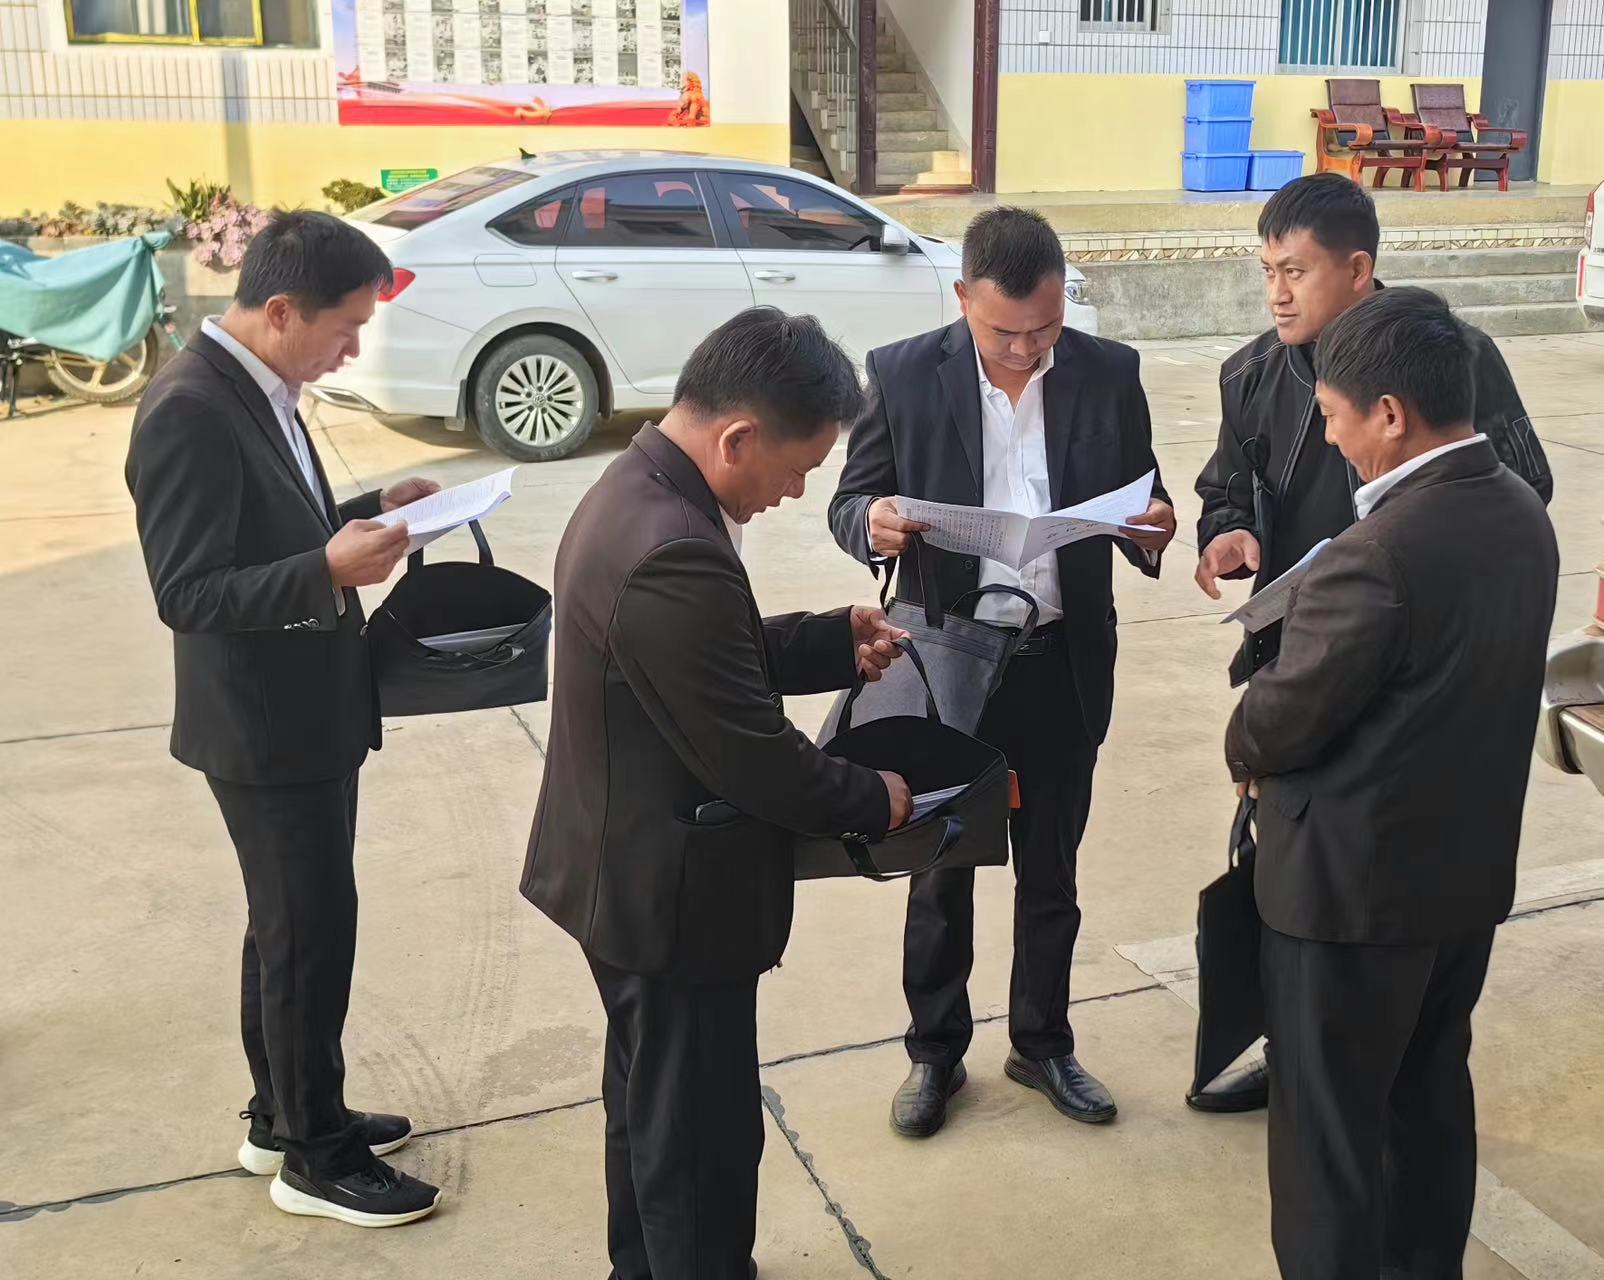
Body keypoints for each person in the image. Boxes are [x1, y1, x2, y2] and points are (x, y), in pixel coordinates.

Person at [521, 307, 912, 1280]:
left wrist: (826, 639)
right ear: (736, 436)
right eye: (797, 467)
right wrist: (876, 797)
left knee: (651, 1116)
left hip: (626, 874)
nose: (796, 491)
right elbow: (754, 756)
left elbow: (697, 665)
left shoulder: (641, 491)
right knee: (699, 1144)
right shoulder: (674, 546)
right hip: (670, 898)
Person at [1187, 172, 1553, 1114]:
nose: (1278, 294)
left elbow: (1521, 487)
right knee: (1294, 866)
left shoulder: (1451, 354)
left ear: (1358, 270)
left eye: (1297, 271)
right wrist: (1228, 532)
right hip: (1304, 660)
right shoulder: (1252, 373)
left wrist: (1409, 558)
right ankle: (1295, 1045)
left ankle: (1362, 1069)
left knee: (1390, 871)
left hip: (1420, 668)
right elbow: (1225, 485)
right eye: (1267, 271)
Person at [1226, 287, 1558, 1279]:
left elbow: (1272, 724)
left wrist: (1250, 716)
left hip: (1348, 900)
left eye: (1333, 416)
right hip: (1460, 883)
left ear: (1388, 413)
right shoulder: (1518, 511)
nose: (1329, 437)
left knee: (1326, 1144)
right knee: (1426, 1099)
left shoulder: (1375, 553)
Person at [829, 206, 1176, 1138]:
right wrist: (873, 525)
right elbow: (851, 501)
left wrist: (1153, 527)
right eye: (1004, 333)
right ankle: (935, 1053)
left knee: (1052, 870)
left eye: (1045, 329)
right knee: (939, 870)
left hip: (1060, 659)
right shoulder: (903, 374)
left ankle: (1043, 1043)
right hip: (950, 662)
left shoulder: (1110, 373)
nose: (1026, 350)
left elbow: (1144, 496)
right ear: (962, 299)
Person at [126, 211, 443, 1228]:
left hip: (306, 708)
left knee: (289, 929)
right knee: (308, 936)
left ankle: (284, 1114)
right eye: (345, 328)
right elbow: (188, 591)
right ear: (279, 311)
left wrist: (368, 508)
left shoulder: (259, 386)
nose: (351, 349)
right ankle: (316, 1157)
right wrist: (326, 569)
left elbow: (272, 521)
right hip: (263, 727)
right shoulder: (189, 408)